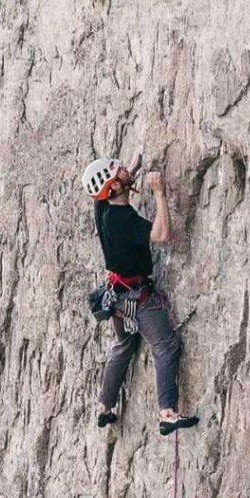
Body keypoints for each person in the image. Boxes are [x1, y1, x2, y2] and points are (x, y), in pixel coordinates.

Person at [82, 156, 199, 435]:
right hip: (137, 298)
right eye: (118, 171)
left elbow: (110, 188)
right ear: (114, 187)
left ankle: (104, 406)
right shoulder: (123, 219)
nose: (123, 169)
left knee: (124, 345)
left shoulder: (103, 207)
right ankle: (167, 413)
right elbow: (161, 234)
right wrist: (159, 194)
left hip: (117, 296)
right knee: (166, 344)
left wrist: (131, 170)